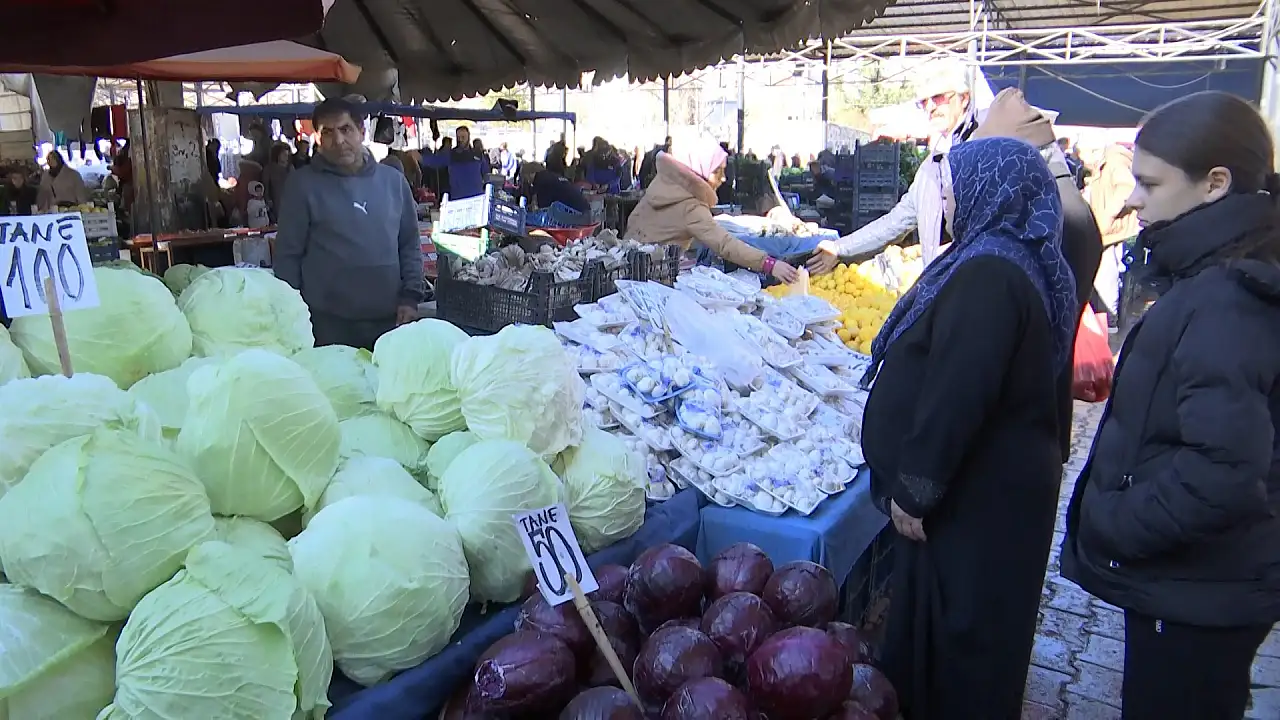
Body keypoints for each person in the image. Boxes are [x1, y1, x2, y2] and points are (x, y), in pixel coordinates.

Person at [1061, 91, 1280, 720]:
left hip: (1199, 594)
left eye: (1150, 184)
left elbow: (1223, 473)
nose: (1132, 199)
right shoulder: (1214, 278)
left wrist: (1116, 523)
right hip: (1203, 587)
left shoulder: (1227, 300)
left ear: (1214, 184)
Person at [860, 137, 1078, 719]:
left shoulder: (990, 273)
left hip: (970, 498)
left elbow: (959, 391)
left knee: (960, 644)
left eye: (953, 193)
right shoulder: (1010, 255)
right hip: (990, 491)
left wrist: (915, 489)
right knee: (976, 634)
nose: (949, 207)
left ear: (992, 191)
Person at [273, 98, 424, 350]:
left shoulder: (393, 182)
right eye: (328, 133)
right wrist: (290, 313)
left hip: (388, 319)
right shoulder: (302, 185)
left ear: (361, 132)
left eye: (345, 129)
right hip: (326, 323)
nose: (339, 141)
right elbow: (288, 254)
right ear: (318, 139)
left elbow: (409, 243)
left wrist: (410, 296)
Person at [807, 60, 985, 271]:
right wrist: (840, 247)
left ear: (963, 98)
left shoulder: (988, 150)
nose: (930, 107)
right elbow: (897, 221)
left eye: (938, 97)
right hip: (945, 286)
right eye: (923, 102)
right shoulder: (931, 167)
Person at [624, 137, 799, 283]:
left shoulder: (663, 186)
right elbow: (724, 244)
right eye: (717, 171)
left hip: (627, 266)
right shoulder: (690, 205)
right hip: (653, 278)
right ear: (699, 169)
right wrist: (768, 264)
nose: (723, 178)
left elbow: (634, 222)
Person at [1084, 144, 1141, 322]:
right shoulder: (1110, 162)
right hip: (1110, 230)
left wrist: (1108, 216)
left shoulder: (1114, 161)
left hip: (1112, 232)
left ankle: (1109, 321)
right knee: (1108, 275)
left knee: (1105, 278)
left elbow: (1127, 188)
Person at [518, 161, 589, 214]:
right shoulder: (550, 176)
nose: (527, 181)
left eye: (525, 177)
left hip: (576, 216)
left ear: (530, 174)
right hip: (584, 210)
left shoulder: (541, 180)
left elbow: (543, 208)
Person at [261, 142, 292, 223]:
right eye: (283, 154)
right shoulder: (269, 169)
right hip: (276, 201)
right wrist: (267, 199)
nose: (286, 156)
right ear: (277, 154)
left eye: (287, 154)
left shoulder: (291, 168)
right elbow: (265, 187)